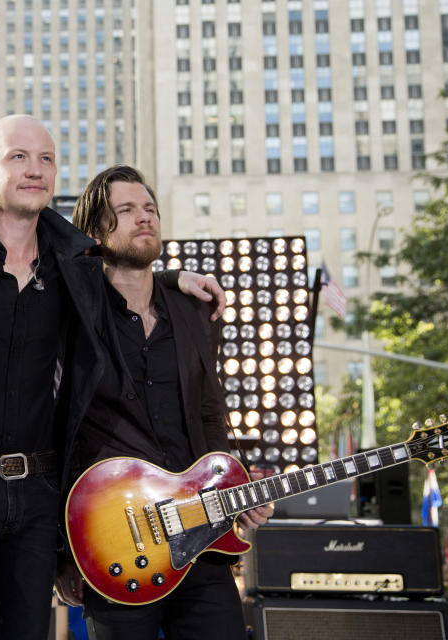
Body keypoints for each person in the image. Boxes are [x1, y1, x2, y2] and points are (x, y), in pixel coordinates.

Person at [0, 117, 228, 640]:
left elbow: (129, 268)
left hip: (39, 495)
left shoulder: (71, 264)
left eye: (47, 159)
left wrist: (171, 280)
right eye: (18, 157)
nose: (35, 170)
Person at [55, 165, 273, 640]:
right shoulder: (71, 309)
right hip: (115, 539)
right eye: (126, 211)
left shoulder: (195, 313)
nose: (144, 219)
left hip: (202, 533)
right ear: (95, 232)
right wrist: (65, 550)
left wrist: (233, 482)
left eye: (149, 209)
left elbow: (210, 411)